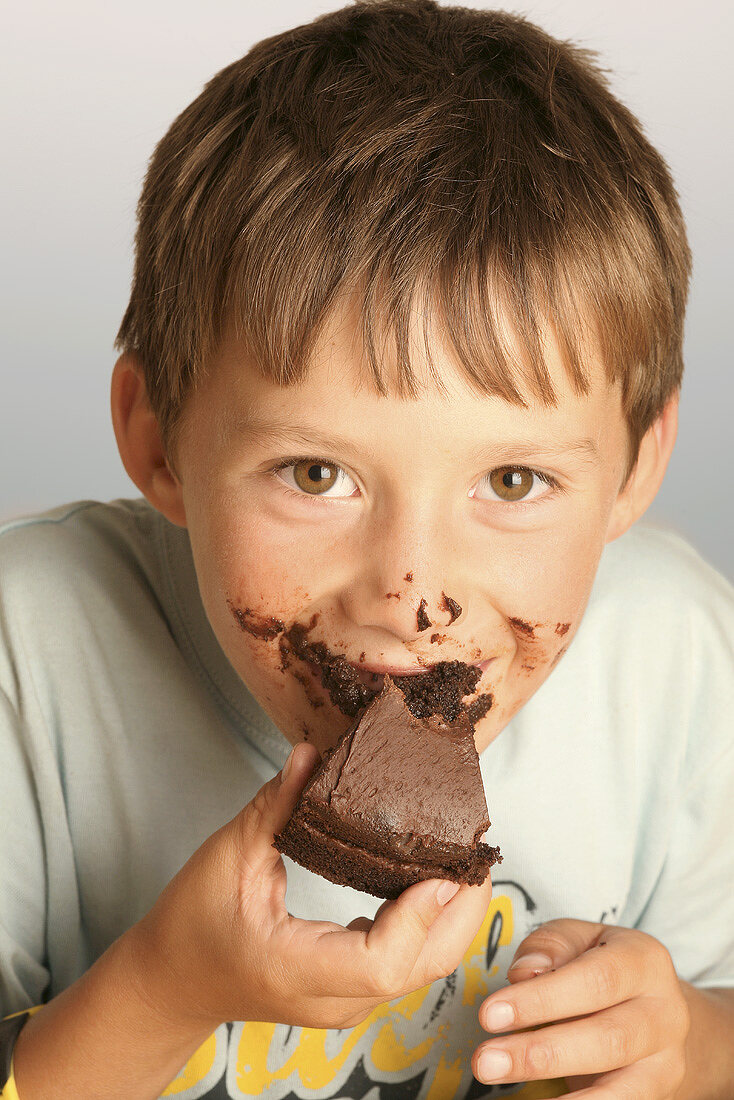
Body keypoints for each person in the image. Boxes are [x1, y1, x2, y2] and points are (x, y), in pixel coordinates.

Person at [1, 0, 733, 1096]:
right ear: (157, 438)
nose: (413, 591)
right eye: (315, 474)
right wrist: (162, 988)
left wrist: (689, 1046)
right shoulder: (32, 647)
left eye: (512, 480)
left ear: (632, 466)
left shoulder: (670, 660)